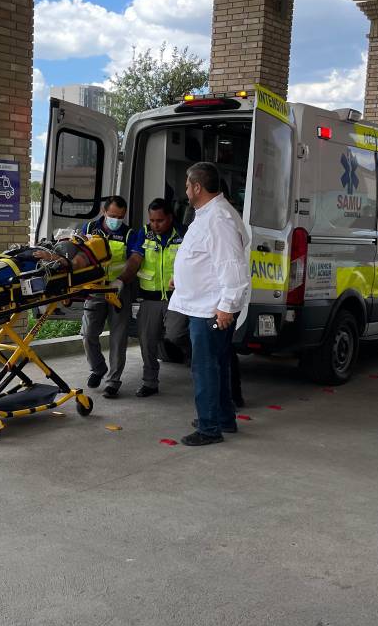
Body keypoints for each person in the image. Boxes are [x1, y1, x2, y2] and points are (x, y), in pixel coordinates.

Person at [168, 162, 251, 446]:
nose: (186, 191)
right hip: (205, 304)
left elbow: (232, 266)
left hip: (211, 309)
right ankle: (222, 418)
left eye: (188, 185)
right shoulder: (210, 213)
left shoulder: (218, 218)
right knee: (218, 365)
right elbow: (207, 259)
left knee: (205, 368)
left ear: (197, 187)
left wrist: (227, 306)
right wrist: (181, 278)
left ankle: (209, 428)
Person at [120, 198, 186, 398]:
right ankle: (150, 382)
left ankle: (198, 367)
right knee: (147, 342)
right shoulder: (145, 233)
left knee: (177, 336)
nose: (155, 225)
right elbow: (135, 259)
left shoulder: (184, 234)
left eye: (160, 220)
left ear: (170, 218)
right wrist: (122, 280)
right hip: (150, 299)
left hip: (178, 298)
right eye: (152, 220)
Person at [81, 195, 133, 398]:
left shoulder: (129, 234)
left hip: (119, 290)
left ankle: (113, 381)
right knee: (88, 334)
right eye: (112, 215)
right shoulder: (89, 229)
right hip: (95, 289)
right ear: (104, 212)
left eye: (120, 216)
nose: (116, 220)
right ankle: (98, 368)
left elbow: (133, 261)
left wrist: (121, 281)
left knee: (118, 338)